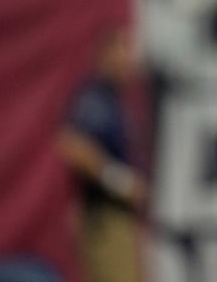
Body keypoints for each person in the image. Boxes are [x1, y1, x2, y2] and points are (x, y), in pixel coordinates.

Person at [58, 25, 148, 282]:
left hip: (120, 217)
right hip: (103, 218)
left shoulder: (116, 98)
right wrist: (121, 181)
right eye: (122, 49)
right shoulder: (94, 98)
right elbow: (73, 146)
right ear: (104, 53)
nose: (129, 59)